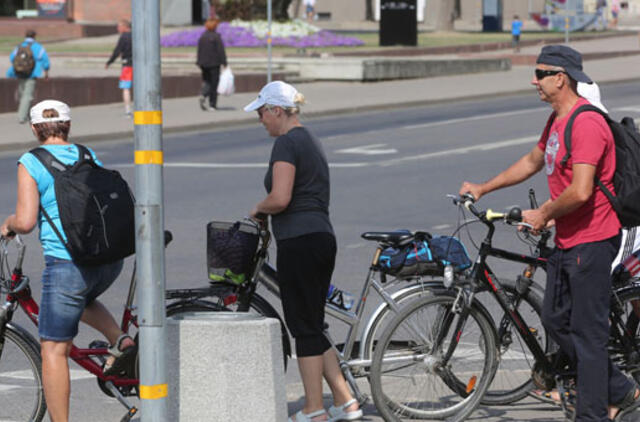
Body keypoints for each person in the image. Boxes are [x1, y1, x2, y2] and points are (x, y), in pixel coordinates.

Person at [459, 45, 640, 421]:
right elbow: (531, 160)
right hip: (568, 240)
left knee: (588, 336)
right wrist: (483, 187)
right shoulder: (557, 120)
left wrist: (543, 213)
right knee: (556, 320)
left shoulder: (586, 123)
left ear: (562, 77)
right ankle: (622, 388)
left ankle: (592, 414)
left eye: (541, 73)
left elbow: (581, 190)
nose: (534, 80)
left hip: (592, 241)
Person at [0, 100, 136, 422]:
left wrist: (8, 224)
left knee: (53, 351)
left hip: (68, 265)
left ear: (35, 129)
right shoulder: (86, 155)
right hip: (108, 261)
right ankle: (121, 340)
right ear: (68, 126)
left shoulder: (31, 162)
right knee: (83, 298)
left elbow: (27, 220)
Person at [244, 81, 363, 422]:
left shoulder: (286, 143)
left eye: (261, 113)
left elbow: (281, 198)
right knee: (312, 323)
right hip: (320, 237)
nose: (260, 121)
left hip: (299, 240)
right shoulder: (309, 139)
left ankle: (313, 409)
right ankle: (345, 400)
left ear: (276, 111)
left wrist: (258, 209)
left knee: (303, 327)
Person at [6, 29, 50, 124]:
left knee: (23, 94)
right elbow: (45, 60)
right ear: (34, 36)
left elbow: (12, 58)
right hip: (32, 74)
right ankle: (22, 117)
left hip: (19, 73)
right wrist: (46, 72)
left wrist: (20, 66)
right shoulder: (38, 47)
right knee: (27, 95)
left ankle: (28, 115)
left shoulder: (19, 46)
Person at [196, 18, 227, 112]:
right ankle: (212, 105)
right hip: (214, 64)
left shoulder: (202, 37)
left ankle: (203, 94)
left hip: (203, 64)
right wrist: (224, 62)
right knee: (214, 84)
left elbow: (199, 50)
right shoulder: (216, 37)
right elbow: (220, 51)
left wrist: (199, 62)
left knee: (207, 81)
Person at [105, 19, 133, 117]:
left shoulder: (124, 37)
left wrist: (109, 62)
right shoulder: (136, 36)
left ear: (125, 27)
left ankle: (128, 111)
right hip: (138, 66)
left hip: (127, 66)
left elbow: (117, 51)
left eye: (119, 26)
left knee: (126, 88)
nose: (118, 29)